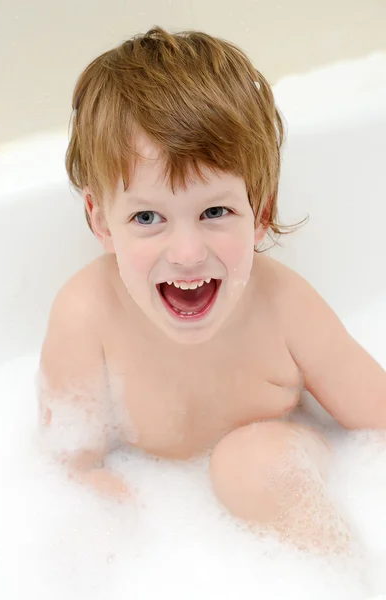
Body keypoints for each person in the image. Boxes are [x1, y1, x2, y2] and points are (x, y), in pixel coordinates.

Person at [37, 26, 386, 553]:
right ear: (101, 221)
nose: (186, 253)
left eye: (215, 211)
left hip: (285, 468)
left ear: (260, 213)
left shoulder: (285, 306)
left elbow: (377, 416)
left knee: (251, 464)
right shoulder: (85, 316)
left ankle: (348, 578)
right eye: (148, 216)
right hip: (174, 521)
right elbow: (71, 464)